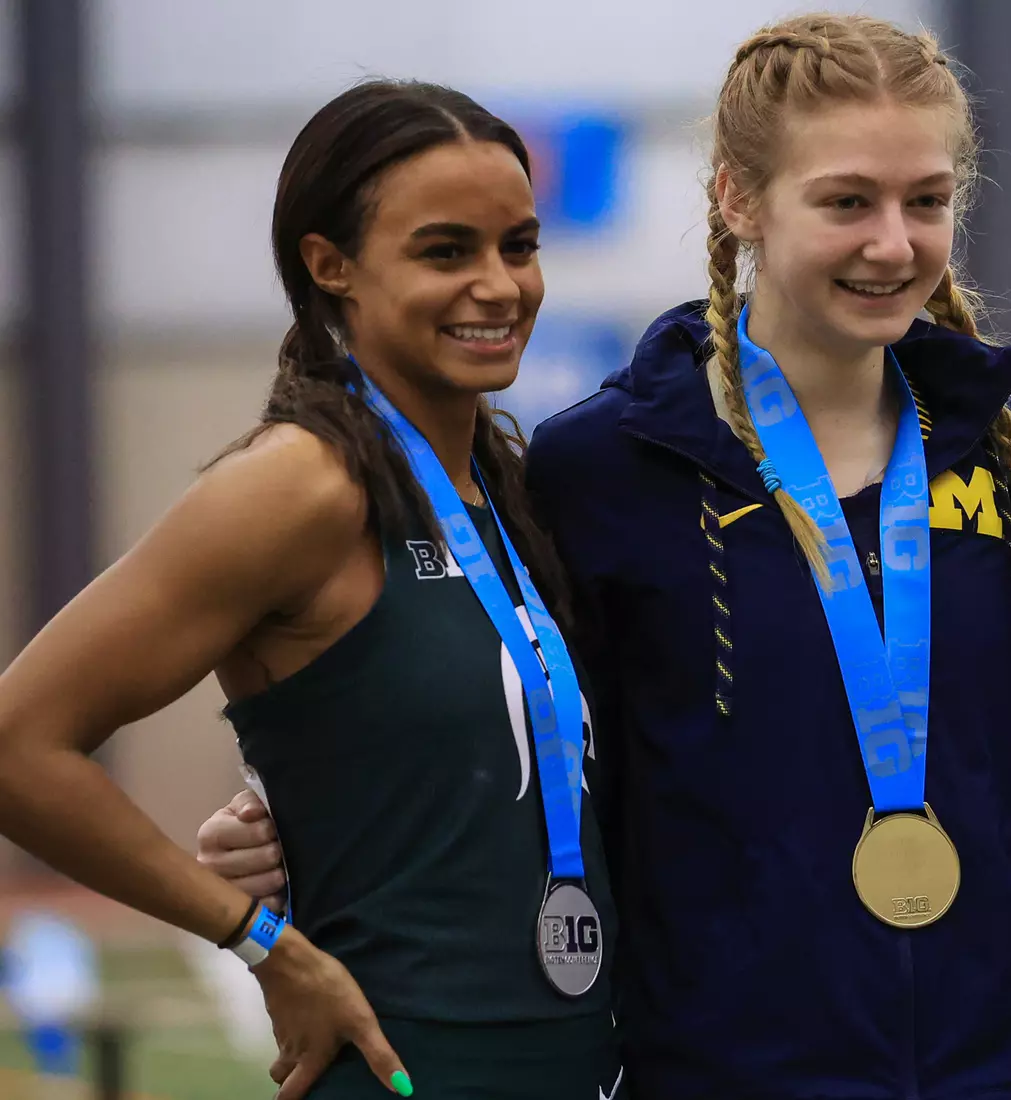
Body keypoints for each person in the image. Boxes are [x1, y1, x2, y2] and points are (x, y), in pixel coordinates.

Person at [199, 14, 1011, 1099]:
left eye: (927, 199)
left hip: (1008, 1066)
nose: (894, 242)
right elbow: (505, 709)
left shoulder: (994, 440)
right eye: (847, 200)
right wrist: (285, 811)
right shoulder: (605, 463)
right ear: (738, 199)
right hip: (725, 1067)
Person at [0, 80, 625, 1100]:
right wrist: (260, 941)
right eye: (445, 250)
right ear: (330, 266)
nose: (500, 284)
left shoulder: (511, 485)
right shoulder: (299, 485)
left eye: (519, 244)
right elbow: (18, 743)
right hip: (403, 1067)